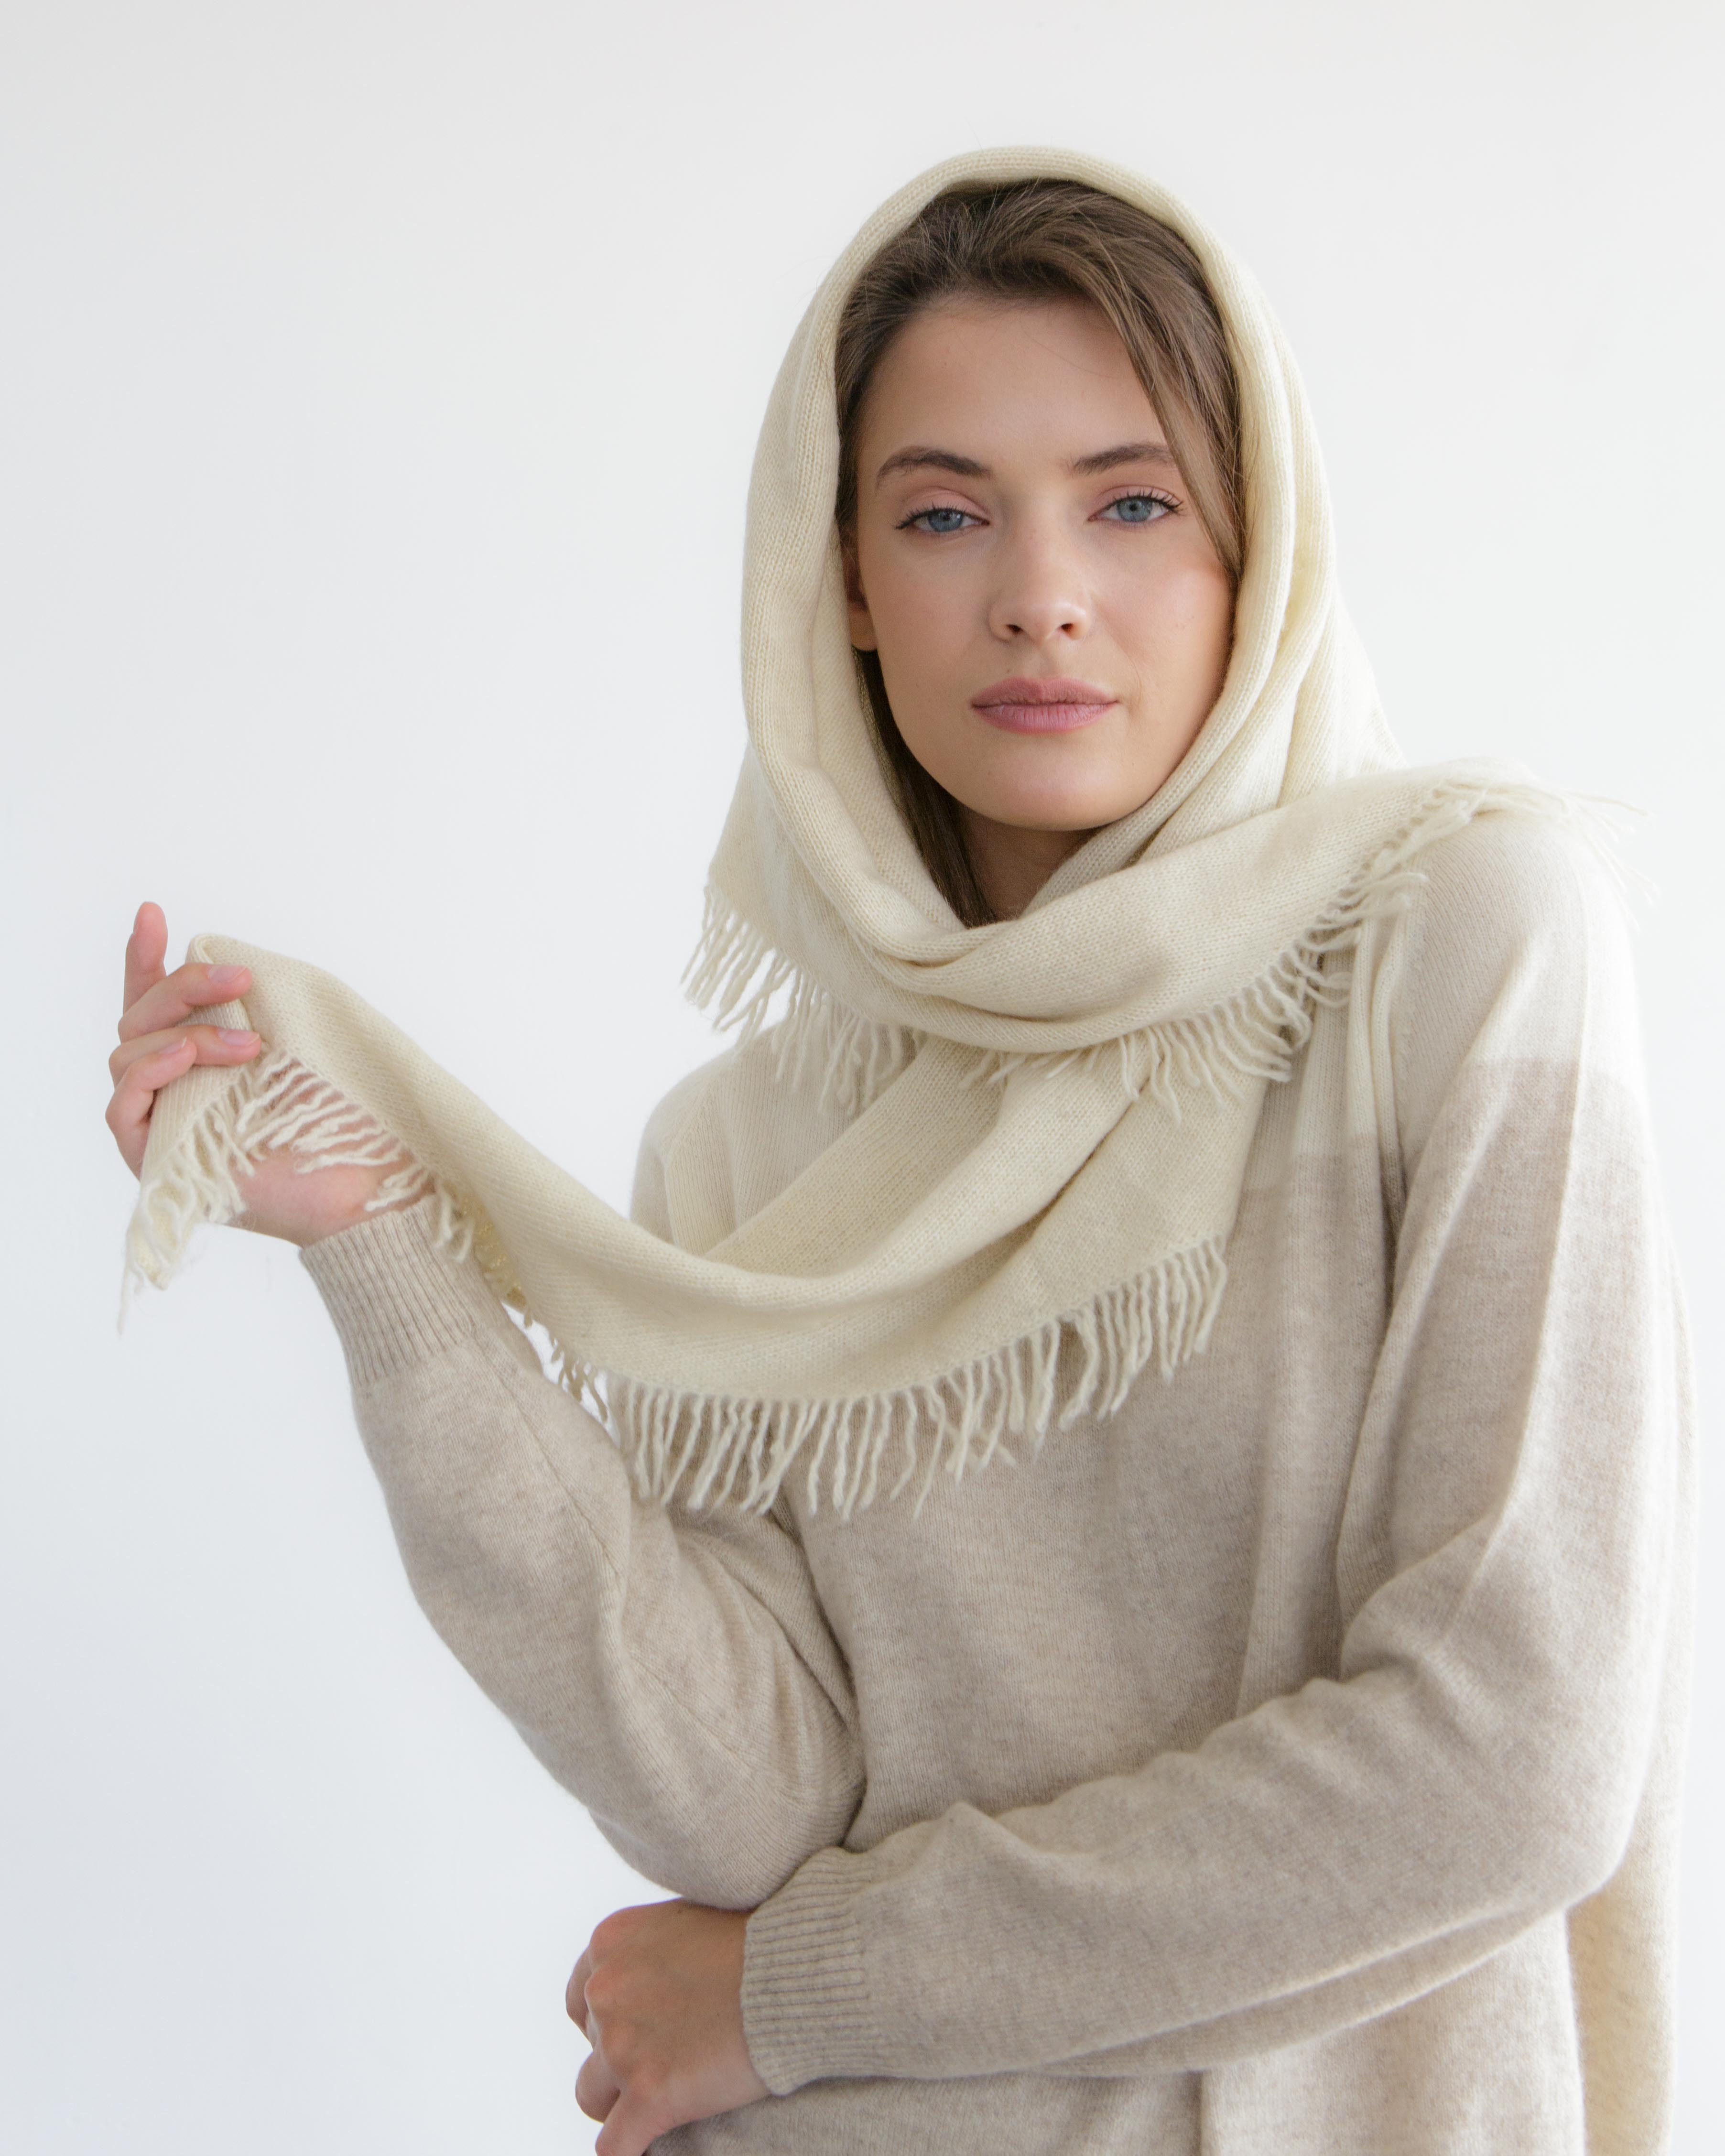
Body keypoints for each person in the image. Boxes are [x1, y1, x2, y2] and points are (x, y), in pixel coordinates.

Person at [104, 151, 1692, 2156]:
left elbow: (1514, 1760)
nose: (1040, 593)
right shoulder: (747, 1148)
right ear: (842, 581)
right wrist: (386, 1249)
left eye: (1134, 503)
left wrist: (799, 1993)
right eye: (944, 514)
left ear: (1260, 541)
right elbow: (751, 1800)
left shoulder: (1465, 944)